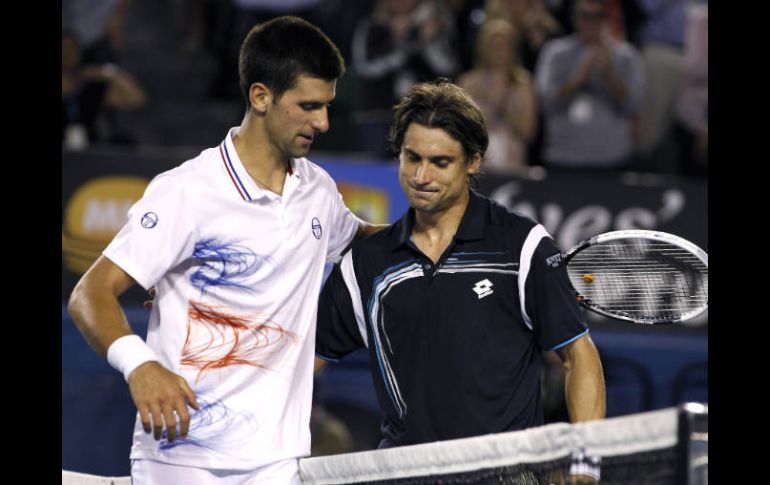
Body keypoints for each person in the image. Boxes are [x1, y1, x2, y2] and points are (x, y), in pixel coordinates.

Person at [68, 16, 381, 484]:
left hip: (279, 463)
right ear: (260, 96)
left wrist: (441, 226)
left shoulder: (318, 190)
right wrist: (142, 367)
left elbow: (363, 239)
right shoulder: (187, 192)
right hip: (183, 461)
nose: (324, 122)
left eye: (327, 106)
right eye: (309, 106)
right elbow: (89, 295)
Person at [315, 79, 605, 479]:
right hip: (405, 473)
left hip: (505, 474)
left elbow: (578, 355)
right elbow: (304, 363)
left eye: (440, 162)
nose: (420, 175)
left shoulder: (520, 245)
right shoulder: (367, 262)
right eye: (411, 157)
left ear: (473, 162)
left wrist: (585, 461)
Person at [534, 0, 643, 171]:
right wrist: (577, 78)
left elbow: (633, 105)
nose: (591, 23)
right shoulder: (555, 53)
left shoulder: (626, 56)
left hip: (613, 159)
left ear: (606, 19)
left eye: (598, 17)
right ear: (575, 19)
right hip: (563, 157)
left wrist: (609, 73)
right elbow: (545, 103)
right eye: (586, 17)